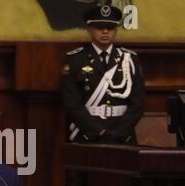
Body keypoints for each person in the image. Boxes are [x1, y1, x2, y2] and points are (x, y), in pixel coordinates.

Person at [61, 5, 145, 145]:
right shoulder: (75, 59)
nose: (105, 31)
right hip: (87, 135)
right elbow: (72, 104)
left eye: (110, 28)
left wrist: (119, 133)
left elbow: (138, 104)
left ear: (116, 31)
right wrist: (99, 131)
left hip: (123, 136)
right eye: (99, 27)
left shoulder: (130, 59)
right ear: (89, 30)